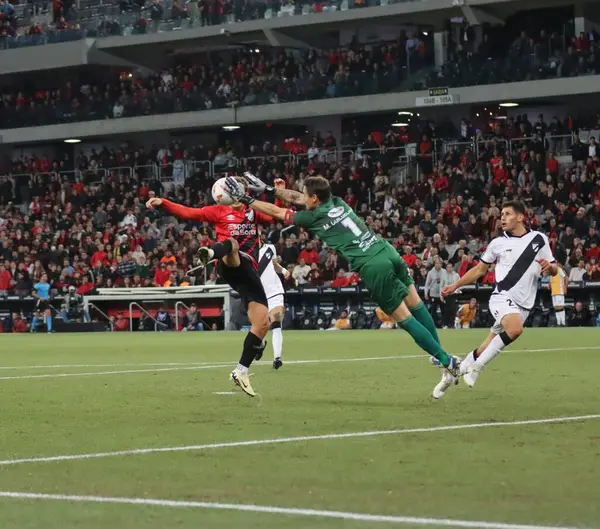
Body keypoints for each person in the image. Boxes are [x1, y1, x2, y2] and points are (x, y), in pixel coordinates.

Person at [225, 174, 460, 379]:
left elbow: (278, 211)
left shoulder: (312, 217)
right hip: (386, 250)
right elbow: (297, 198)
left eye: (306, 195)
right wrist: (270, 190)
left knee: (405, 319)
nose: (302, 198)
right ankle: (439, 354)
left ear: (315, 199)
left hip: (372, 265)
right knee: (416, 304)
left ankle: (446, 360)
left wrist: (247, 200)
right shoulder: (336, 202)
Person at [146, 181, 270, 397]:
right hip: (229, 263)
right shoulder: (218, 211)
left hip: (249, 273)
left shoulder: (254, 211)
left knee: (262, 323)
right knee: (232, 244)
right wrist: (163, 203)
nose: (240, 191)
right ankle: (211, 253)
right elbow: (188, 212)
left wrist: (277, 192)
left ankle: (241, 370)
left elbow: (273, 215)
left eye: (242, 188)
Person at [439, 200, 557, 398]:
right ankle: (477, 367)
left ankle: (453, 373)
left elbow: (555, 268)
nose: (502, 217)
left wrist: (550, 267)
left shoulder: (539, 239)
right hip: (502, 296)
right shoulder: (497, 243)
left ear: (521, 217)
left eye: (508, 214)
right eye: (501, 214)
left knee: (488, 345)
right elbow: (479, 270)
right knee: (515, 329)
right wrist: (455, 285)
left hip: (524, 304)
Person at [257, 242, 287, 369]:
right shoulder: (246, 254)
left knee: (276, 324)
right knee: (259, 328)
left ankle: (277, 358)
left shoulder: (270, 248)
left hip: (275, 292)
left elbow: (275, 266)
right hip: (260, 295)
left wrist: (284, 270)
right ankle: (261, 345)